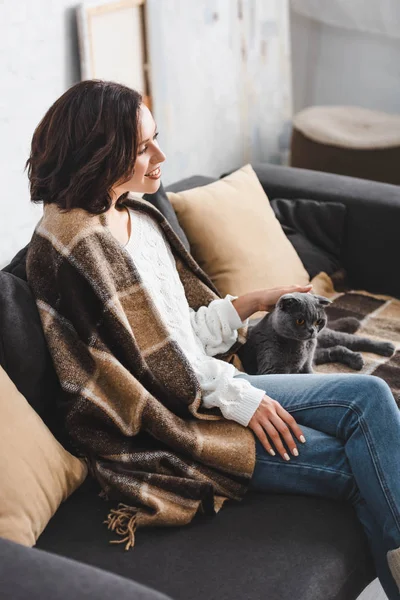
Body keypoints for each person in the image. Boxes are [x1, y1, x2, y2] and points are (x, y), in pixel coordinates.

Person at [25, 80, 400, 599]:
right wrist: (242, 399)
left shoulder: (136, 215)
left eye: (157, 138)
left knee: (373, 399)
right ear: (98, 154)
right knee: (361, 459)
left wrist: (245, 305)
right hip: (176, 421)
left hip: (207, 384)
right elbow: (148, 372)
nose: (160, 155)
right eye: (142, 148)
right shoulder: (76, 243)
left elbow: (176, 338)